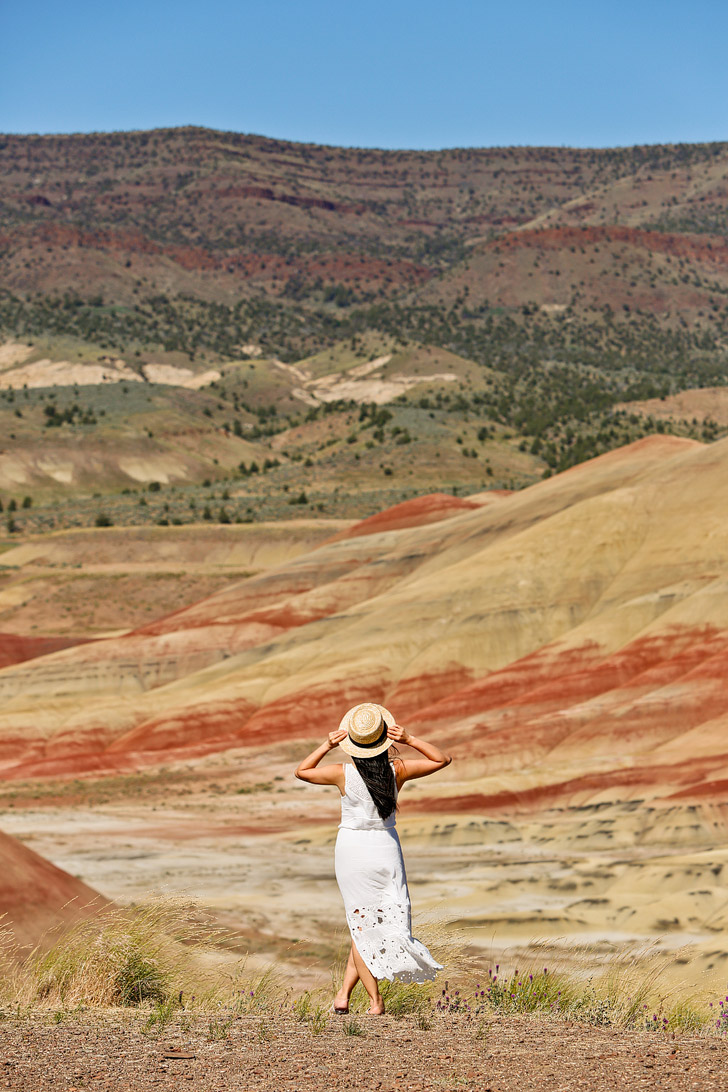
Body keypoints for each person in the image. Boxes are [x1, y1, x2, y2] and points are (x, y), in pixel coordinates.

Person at [294, 701, 452, 1015]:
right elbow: (442, 759)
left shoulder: (342, 774)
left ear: (352, 743)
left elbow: (302, 771)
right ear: (384, 740)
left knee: (361, 926)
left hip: (352, 851)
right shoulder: (398, 770)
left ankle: (374, 1002)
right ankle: (343, 995)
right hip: (385, 850)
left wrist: (327, 744)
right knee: (372, 924)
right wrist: (409, 740)